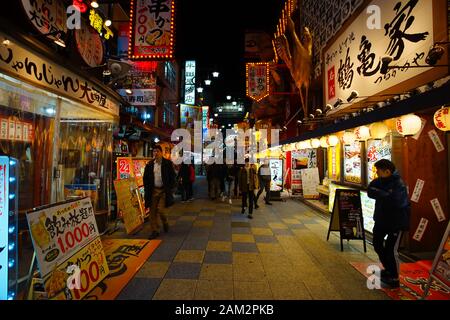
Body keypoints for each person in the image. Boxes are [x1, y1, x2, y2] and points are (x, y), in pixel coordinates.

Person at [367, 159, 410, 288]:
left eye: (378, 171)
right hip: (381, 220)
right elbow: (370, 190)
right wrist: (386, 194)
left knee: (391, 250)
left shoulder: (398, 184)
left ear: (387, 171)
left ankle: (394, 276)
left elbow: (398, 202)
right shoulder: (379, 181)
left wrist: (381, 194)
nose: (377, 174)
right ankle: (388, 269)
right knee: (377, 244)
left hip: (395, 222)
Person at [143, 145, 176, 240]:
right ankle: (155, 230)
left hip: (163, 191)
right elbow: (145, 178)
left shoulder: (167, 163)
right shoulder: (149, 165)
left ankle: (165, 222)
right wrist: (146, 189)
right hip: (153, 191)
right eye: (154, 151)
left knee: (161, 210)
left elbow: (172, 177)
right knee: (152, 212)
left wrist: (170, 188)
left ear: (161, 152)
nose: (155, 153)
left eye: (157, 151)